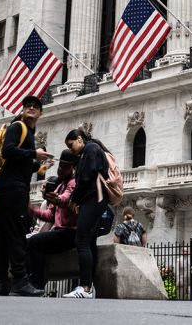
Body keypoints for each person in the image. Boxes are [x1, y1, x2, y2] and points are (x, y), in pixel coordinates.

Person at [0, 96, 50, 297]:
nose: (32, 108)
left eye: (36, 106)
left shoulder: (27, 132)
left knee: (4, 237)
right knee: (16, 235)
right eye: (28, 106)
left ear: (40, 113)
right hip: (13, 190)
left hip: (11, 188)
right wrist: (34, 153)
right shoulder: (18, 127)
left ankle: (1, 283)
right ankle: (20, 281)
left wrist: (38, 165)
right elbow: (7, 151)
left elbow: (17, 161)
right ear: (23, 110)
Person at [66, 128, 111, 299]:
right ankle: (88, 287)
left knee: (82, 240)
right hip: (94, 199)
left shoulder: (90, 149)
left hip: (94, 198)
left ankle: (85, 287)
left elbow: (85, 178)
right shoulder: (90, 150)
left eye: (71, 145)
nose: (71, 150)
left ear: (79, 139)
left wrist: (74, 198)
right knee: (90, 242)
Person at [28, 150, 79, 292]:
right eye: (60, 166)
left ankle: (37, 284)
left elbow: (66, 198)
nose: (61, 170)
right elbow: (50, 215)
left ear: (73, 168)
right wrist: (33, 210)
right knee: (30, 242)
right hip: (60, 232)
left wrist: (57, 199)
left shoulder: (73, 184)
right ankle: (31, 280)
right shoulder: (60, 186)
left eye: (65, 167)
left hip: (69, 233)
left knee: (34, 242)